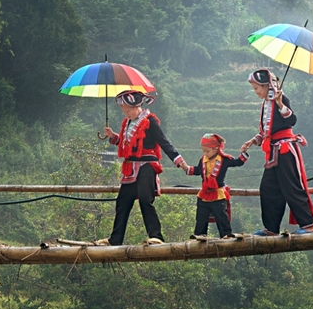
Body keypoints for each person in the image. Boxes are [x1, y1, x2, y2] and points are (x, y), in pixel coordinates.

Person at [95, 90, 188, 246]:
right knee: (122, 202)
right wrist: (113, 136)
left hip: (146, 166)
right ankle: (115, 240)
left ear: (137, 106)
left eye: (128, 110)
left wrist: (180, 161)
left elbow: (164, 142)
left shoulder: (150, 121)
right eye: (124, 111)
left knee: (145, 199)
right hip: (130, 167)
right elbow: (127, 145)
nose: (126, 113)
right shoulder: (127, 123)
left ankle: (156, 236)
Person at [240, 68, 313, 236]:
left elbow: (291, 120)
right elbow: (266, 132)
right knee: (268, 188)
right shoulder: (265, 105)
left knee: (291, 187)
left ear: (267, 86)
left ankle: (309, 224)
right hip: (272, 151)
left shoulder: (281, 100)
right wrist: (253, 141)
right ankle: (271, 228)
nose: (256, 92)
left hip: (285, 150)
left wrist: (280, 104)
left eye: (257, 89)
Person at [185, 133, 248, 239]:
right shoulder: (203, 160)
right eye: (204, 151)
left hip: (218, 193)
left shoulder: (225, 159)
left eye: (207, 151)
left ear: (216, 149)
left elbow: (238, 162)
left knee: (221, 216)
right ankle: (200, 235)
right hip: (204, 194)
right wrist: (186, 168)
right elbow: (198, 170)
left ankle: (226, 235)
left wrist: (244, 152)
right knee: (201, 216)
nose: (205, 153)